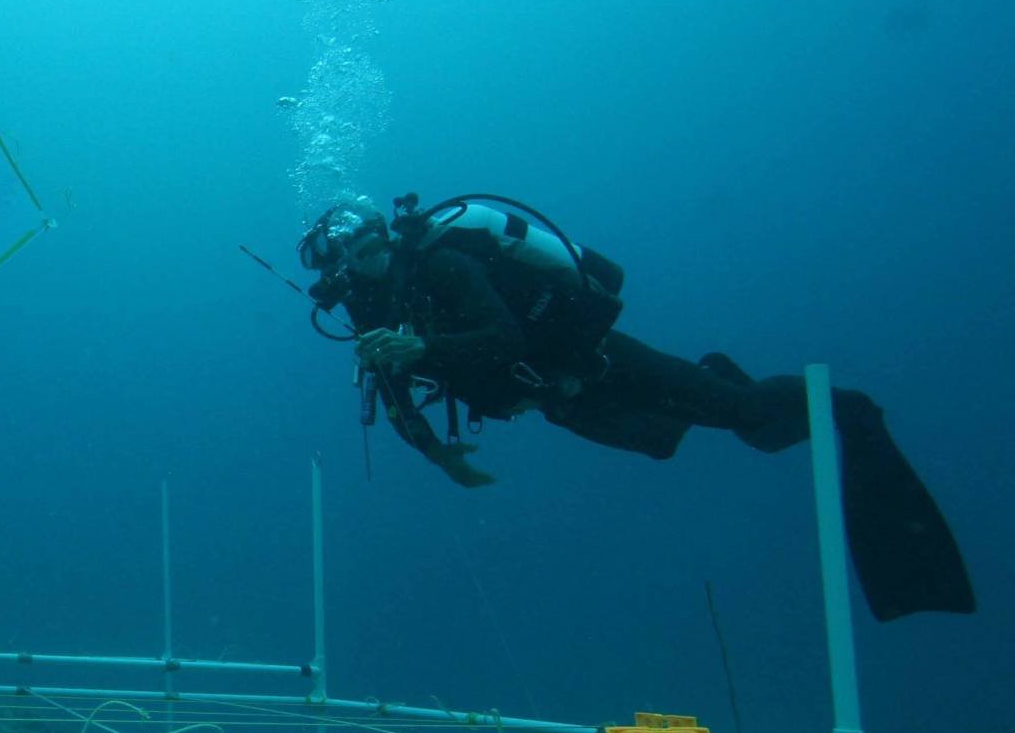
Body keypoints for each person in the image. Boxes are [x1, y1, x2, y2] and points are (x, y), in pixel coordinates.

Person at [298, 193, 975, 621]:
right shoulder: (372, 314)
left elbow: (499, 338)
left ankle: (847, 407)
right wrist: (438, 453)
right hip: (559, 398)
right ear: (342, 272)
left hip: (597, 362)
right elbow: (390, 391)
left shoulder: (443, 266)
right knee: (658, 440)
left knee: (743, 413)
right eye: (359, 257)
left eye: (376, 243)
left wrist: (422, 350)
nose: (375, 260)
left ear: (387, 235)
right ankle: (719, 384)